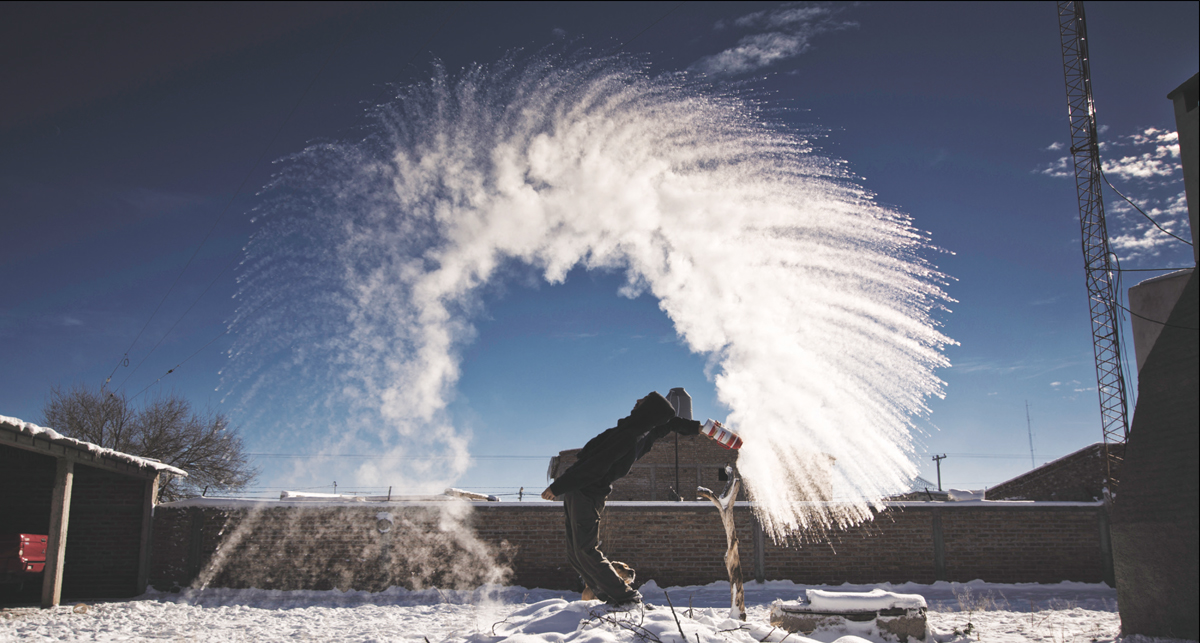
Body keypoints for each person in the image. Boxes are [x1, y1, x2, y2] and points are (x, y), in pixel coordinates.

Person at [541, 391, 703, 606]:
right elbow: (670, 423)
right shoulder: (640, 431)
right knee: (574, 552)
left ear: (648, 409)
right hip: (578, 491)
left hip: (587, 492)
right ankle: (606, 594)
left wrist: (558, 486)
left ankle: (626, 598)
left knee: (585, 549)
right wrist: (698, 428)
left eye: (642, 401)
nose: (636, 401)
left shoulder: (629, 436)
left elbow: (595, 466)